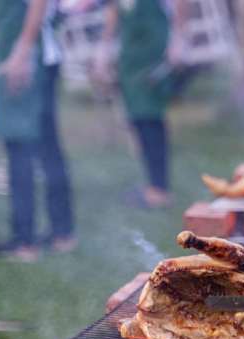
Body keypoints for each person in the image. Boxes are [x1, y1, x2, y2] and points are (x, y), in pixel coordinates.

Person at [0, 0, 76, 262]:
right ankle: (63, 234)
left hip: (29, 60)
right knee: (48, 147)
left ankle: (25, 241)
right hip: (39, 56)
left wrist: (22, 51)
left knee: (20, 147)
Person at [95, 0, 177, 209]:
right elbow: (114, 8)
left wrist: (180, 37)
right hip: (130, 56)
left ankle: (159, 189)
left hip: (152, 50)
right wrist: (103, 49)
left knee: (151, 118)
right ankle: (154, 185)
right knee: (139, 120)